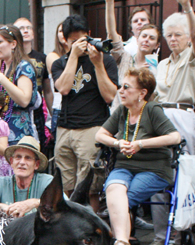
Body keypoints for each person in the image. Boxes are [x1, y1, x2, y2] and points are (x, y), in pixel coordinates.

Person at [94, 68, 181, 245]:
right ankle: (122, 243)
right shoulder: (122, 111)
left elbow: (175, 137)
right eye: (121, 87)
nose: (121, 91)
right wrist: (117, 143)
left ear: (142, 93)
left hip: (153, 168)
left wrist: (141, 144)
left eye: (126, 87)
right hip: (125, 165)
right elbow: (100, 134)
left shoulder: (152, 109)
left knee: (123, 198)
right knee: (113, 188)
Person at [143, 0, 195, 245]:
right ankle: (162, 236)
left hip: (182, 113)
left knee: (185, 175)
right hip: (160, 114)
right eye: (169, 35)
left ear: (188, 36)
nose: (173, 39)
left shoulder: (194, 56)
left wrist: (188, 9)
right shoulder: (162, 64)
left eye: (178, 34)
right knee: (158, 174)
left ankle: (183, 233)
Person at [52, 14, 118, 211]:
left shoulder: (105, 60)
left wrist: (97, 64)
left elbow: (110, 96)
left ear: (89, 35)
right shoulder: (59, 63)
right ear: (65, 40)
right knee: (65, 184)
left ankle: (91, 223)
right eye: (73, 41)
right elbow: (63, 88)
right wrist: (73, 56)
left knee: (90, 186)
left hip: (92, 126)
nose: (79, 45)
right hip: (65, 128)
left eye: (82, 39)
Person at [0, 136, 53, 217]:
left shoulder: (46, 181)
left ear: (36, 164)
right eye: (18, 157)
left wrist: (33, 203)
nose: (22, 162)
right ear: (11, 162)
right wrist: (1, 207)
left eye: (28, 158)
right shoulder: (0, 183)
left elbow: (61, 204)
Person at [105, 0, 160, 111]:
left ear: (156, 45)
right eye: (144, 36)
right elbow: (111, 33)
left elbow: (153, 98)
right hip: (120, 113)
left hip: (142, 116)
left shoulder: (157, 67)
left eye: (151, 38)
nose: (146, 40)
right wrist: (109, 3)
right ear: (137, 39)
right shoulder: (124, 57)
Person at [0, 24, 39, 144]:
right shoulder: (2, 67)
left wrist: (1, 79)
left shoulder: (23, 67)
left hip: (18, 135)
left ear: (13, 44)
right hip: (0, 133)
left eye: (0, 42)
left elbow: (24, 100)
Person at [14, 17, 53, 155]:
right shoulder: (11, 58)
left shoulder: (42, 58)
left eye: (28, 28)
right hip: (16, 109)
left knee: (38, 150)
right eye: (21, 28)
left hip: (37, 109)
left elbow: (48, 90)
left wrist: (52, 115)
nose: (25, 31)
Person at [46, 23, 69, 142]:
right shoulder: (52, 56)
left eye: (66, 30)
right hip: (60, 108)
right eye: (60, 31)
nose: (63, 33)